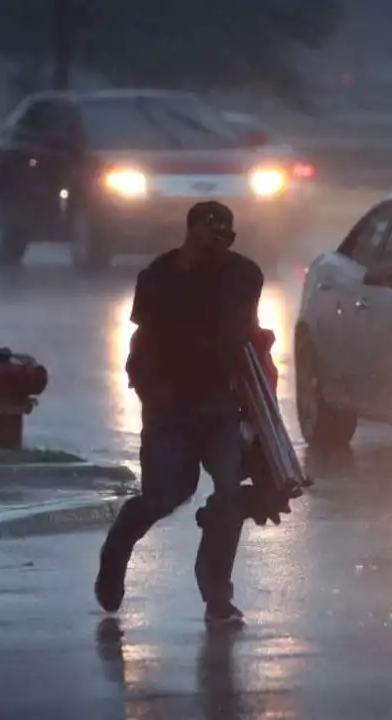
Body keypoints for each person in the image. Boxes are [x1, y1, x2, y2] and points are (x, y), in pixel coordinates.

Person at [96, 200, 264, 625]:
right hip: (170, 403)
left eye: (222, 230)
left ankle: (217, 597)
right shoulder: (158, 276)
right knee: (166, 494)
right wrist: (151, 391)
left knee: (228, 495)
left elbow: (250, 339)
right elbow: (143, 340)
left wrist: (262, 411)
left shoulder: (244, 276)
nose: (214, 237)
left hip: (222, 404)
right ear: (188, 232)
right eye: (206, 228)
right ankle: (118, 546)